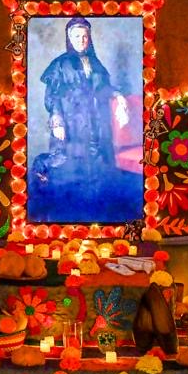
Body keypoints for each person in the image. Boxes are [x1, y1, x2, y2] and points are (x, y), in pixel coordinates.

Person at [32, 18, 133, 223]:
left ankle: (93, 207)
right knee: (68, 159)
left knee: (96, 159)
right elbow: (52, 96)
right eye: (77, 36)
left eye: (85, 36)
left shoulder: (95, 62)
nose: (81, 40)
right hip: (71, 120)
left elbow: (104, 88)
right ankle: (65, 208)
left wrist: (119, 96)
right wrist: (57, 120)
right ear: (70, 38)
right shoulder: (60, 64)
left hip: (95, 120)